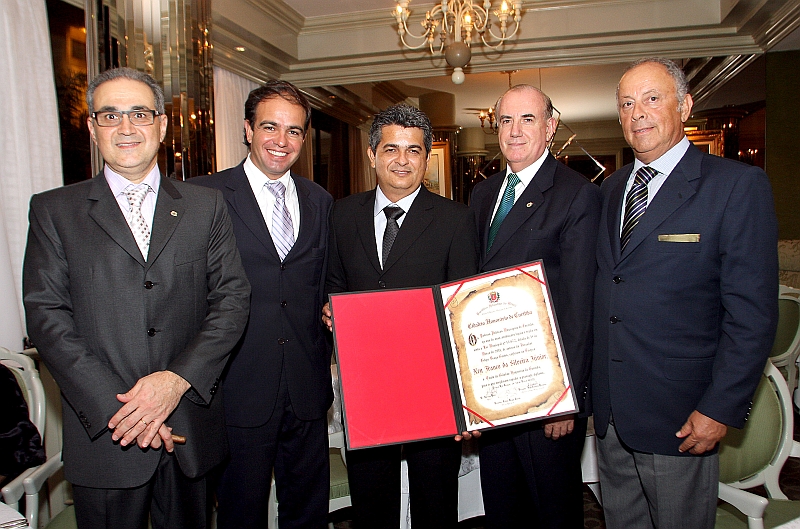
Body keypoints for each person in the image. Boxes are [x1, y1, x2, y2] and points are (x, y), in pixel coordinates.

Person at [22, 67, 251, 529]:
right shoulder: (54, 210)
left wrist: (175, 381)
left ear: (162, 125)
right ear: (92, 128)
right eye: (110, 115)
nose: (126, 128)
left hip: (188, 425)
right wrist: (125, 410)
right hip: (106, 436)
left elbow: (231, 300)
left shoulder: (205, 207)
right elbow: (47, 318)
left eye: (140, 114)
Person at [592, 57, 779, 529]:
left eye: (653, 99)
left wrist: (720, 407)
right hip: (612, 417)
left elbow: (752, 316)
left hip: (682, 417)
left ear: (686, 105)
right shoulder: (609, 191)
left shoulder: (736, 187)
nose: (639, 113)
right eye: (627, 103)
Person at [322, 104, 479, 529]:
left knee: (436, 503)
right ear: (372, 154)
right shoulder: (341, 215)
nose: (402, 160)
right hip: (365, 387)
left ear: (426, 159)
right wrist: (329, 311)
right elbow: (332, 285)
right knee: (371, 506)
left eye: (414, 150)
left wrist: (467, 402)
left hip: (432, 389)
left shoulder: (455, 220)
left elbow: (463, 314)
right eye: (391, 148)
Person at [193, 80, 333, 529]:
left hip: (308, 385)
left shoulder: (320, 200)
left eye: (294, 131)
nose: (281, 140)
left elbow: (321, 280)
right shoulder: (204, 198)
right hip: (239, 387)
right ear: (248, 130)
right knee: (241, 511)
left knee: (308, 510)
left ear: (304, 139)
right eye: (270, 127)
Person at [469, 84, 601, 528]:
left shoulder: (576, 194)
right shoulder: (483, 196)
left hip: (546, 396)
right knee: (503, 509)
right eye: (505, 120)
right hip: (492, 391)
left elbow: (580, 306)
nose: (514, 131)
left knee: (553, 512)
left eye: (527, 119)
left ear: (550, 126)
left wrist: (567, 401)